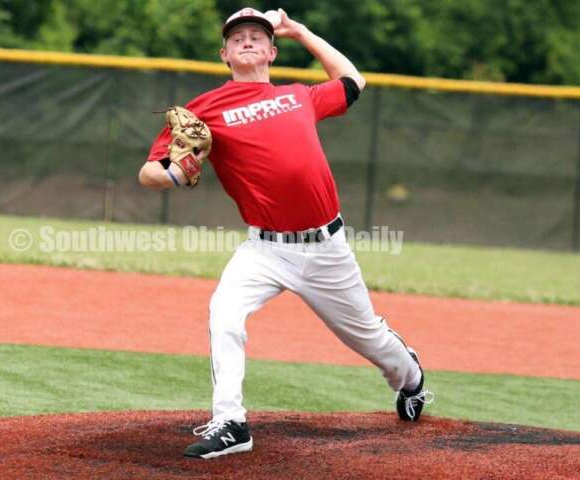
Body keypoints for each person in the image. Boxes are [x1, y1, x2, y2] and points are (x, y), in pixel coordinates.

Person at [139, 8, 433, 459]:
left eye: (257, 35)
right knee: (225, 314)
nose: (248, 41)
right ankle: (231, 423)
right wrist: (173, 174)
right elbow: (149, 172)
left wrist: (300, 30)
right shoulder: (203, 111)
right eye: (238, 38)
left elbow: (354, 80)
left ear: (273, 51)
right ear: (225, 54)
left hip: (325, 246)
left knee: (367, 337)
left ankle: (409, 377)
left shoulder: (300, 95)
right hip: (265, 248)